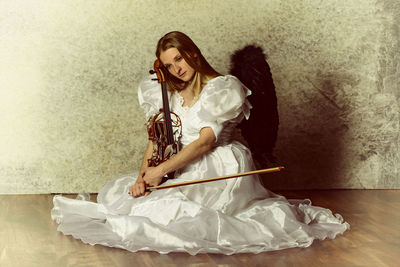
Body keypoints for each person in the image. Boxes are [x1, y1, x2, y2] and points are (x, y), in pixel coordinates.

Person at [51, 31, 349, 255]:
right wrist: (145, 175)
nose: (176, 69)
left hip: (216, 161)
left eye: (178, 59)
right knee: (137, 204)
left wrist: (161, 171)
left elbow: (206, 142)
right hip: (178, 162)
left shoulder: (223, 87)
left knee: (176, 215)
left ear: (192, 53)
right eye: (168, 65)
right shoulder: (169, 95)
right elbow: (157, 139)